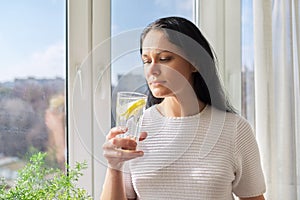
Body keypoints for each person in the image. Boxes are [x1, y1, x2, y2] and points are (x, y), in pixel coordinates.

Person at [101, 16, 266, 200]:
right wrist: (114, 168)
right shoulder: (136, 129)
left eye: (164, 58)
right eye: (146, 61)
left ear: (195, 62)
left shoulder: (234, 130)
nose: (152, 70)